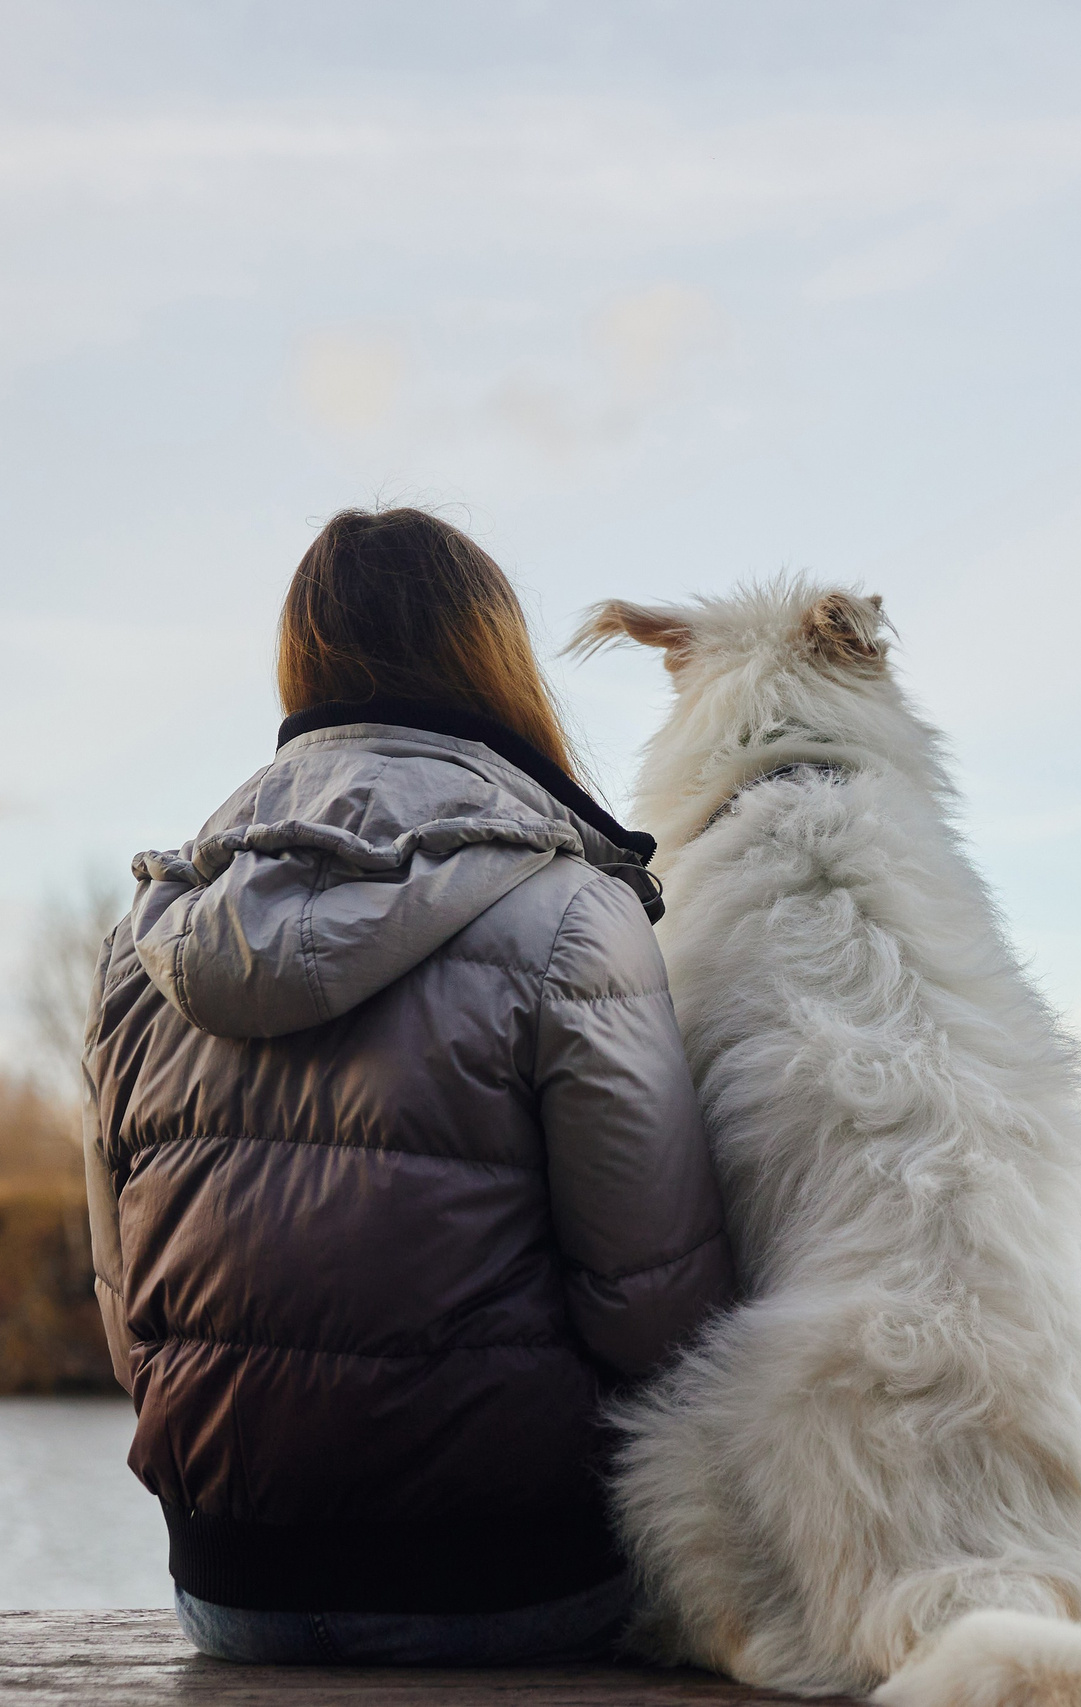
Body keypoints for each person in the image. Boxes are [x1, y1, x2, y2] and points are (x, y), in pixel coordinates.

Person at [79, 507, 735, 1666]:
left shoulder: (146, 937)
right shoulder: (574, 910)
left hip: (233, 1587)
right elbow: (658, 1321)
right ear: (492, 659)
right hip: (517, 1581)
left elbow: (135, 1332)